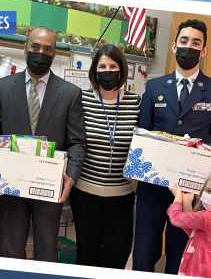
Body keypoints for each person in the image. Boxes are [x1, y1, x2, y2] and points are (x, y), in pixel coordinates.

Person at [0, 26, 87, 262]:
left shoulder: (70, 93)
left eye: (47, 49)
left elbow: (77, 142)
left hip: (49, 186)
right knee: (10, 249)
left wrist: (71, 175)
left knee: (47, 251)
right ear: (25, 48)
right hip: (8, 185)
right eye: (35, 47)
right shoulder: (3, 87)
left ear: (54, 54)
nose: (41, 53)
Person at [134, 19, 211, 275]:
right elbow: (142, 134)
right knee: (144, 254)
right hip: (152, 186)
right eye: (185, 41)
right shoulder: (154, 86)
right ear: (175, 45)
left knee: (181, 257)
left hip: (192, 193)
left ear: (204, 50)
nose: (189, 47)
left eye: (196, 43)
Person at [70, 44, 140, 269]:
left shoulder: (135, 102)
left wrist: (138, 167)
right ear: (94, 70)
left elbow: (145, 142)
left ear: (122, 70)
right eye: (102, 66)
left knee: (118, 254)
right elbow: (72, 141)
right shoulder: (80, 100)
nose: (107, 71)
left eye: (113, 66)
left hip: (122, 195)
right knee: (87, 255)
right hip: (85, 193)